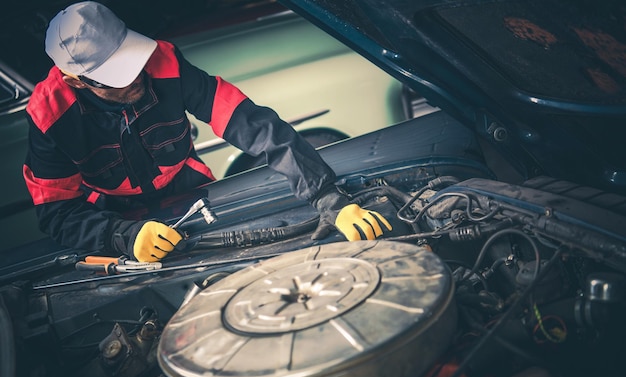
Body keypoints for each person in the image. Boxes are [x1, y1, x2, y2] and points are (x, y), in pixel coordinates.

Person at [23, 1, 392, 263]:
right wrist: (122, 236)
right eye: (116, 76)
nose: (135, 76)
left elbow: (257, 127)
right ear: (76, 80)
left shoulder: (164, 63)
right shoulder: (50, 116)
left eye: (129, 60)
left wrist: (328, 198)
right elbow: (57, 214)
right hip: (111, 216)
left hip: (190, 192)